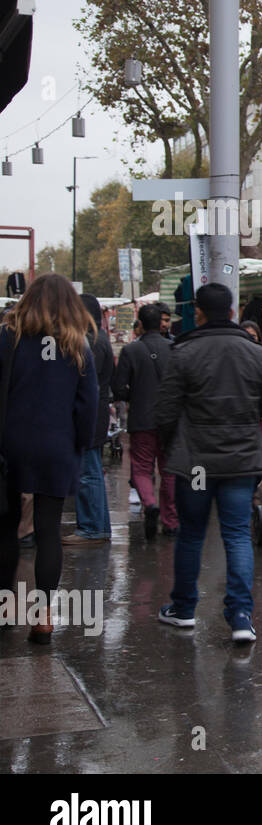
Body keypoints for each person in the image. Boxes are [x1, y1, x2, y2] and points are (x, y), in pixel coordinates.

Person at [155, 283, 262, 643]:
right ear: (231, 311)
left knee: (191, 534)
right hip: (241, 460)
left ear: (198, 311)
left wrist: (171, 448)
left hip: (195, 460)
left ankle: (183, 609)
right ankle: (241, 615)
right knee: (238, 534)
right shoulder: (256, 353)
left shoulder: (183, 351)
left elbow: (164, 411)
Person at [0, 274, 98, 643]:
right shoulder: (78, 346)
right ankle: (42, 618)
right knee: (48, 531)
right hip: (57, 448)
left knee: (7, 529)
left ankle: (5, 609)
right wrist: (82, 444)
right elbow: (87, 406)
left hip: (11, 445)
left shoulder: (8, 339)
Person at [112, 304, 177, 539]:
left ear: (139, 324)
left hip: (142, 419)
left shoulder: (131, 351)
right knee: (169, 470)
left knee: (141, 467)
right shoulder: (174, 348)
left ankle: (149, 503)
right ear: (160, 323)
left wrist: (134, 395)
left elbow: (119, 388)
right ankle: (170, 520)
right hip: (170, 420)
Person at [64, 294, 116, 545]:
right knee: (91, 468)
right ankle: (98, 525)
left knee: (88, 472)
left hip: (92, 412)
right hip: (97, 410)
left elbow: (84, 382)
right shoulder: (99, 339)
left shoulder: (91, 342)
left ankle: (92, 528)